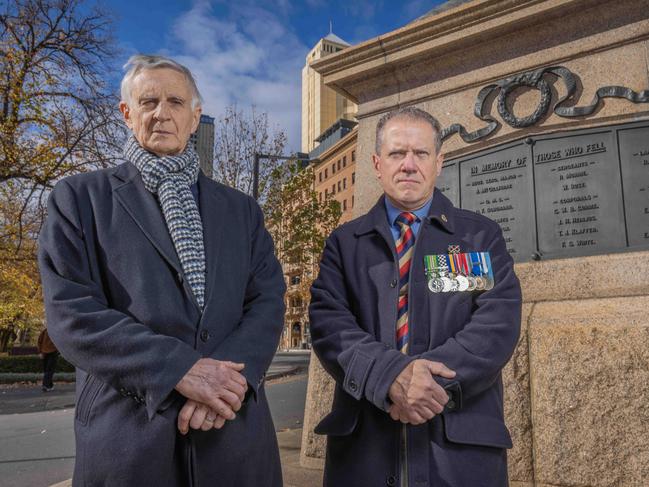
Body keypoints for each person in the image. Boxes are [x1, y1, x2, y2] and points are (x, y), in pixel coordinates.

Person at [38, 54, 285, 486]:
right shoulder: (79, 198)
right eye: (148, 101)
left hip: (234, 436)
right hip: (130, 443)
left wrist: (226, 385)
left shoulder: (242, 209)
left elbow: (266, 300)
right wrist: (180, 371)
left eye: (175, 102)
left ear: (195, 117)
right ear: (127, 113)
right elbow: (70, 312)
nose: (161, 113)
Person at [309, 107, 522, 486]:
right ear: (377, 163)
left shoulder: (478, 238)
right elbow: (330, 326)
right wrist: (390, 377)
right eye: (396, 153)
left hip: (458, 454)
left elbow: (496, 325)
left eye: (420, 154)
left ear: (438, 162)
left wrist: (424, 386)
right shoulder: (343, 244)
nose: (408, 164)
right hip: (365, 453)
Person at [37, 327, 58, 392]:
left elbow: (39, 341)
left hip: (45, 352)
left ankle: (50, 385)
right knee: (49, 370)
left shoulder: (45, 330)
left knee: (47, 370)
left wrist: (40, 352)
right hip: (52, 352)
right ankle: (45, 385)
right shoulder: (55, 331)